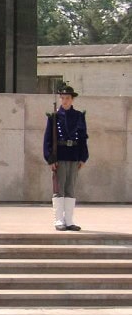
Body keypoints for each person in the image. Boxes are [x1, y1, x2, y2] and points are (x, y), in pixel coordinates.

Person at [43, 84, 88, 231]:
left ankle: (69, 220)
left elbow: (82, 138)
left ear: (72, 99)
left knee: (70, 188)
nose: (65, 101)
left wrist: (83, 157)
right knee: (59, 188)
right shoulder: (54, 116)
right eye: (62, 98)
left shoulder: (79, 116)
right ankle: (58, 220)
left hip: (74, 155)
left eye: (67, 98)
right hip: (60, 155)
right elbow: (48, 139)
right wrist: (50, 158)